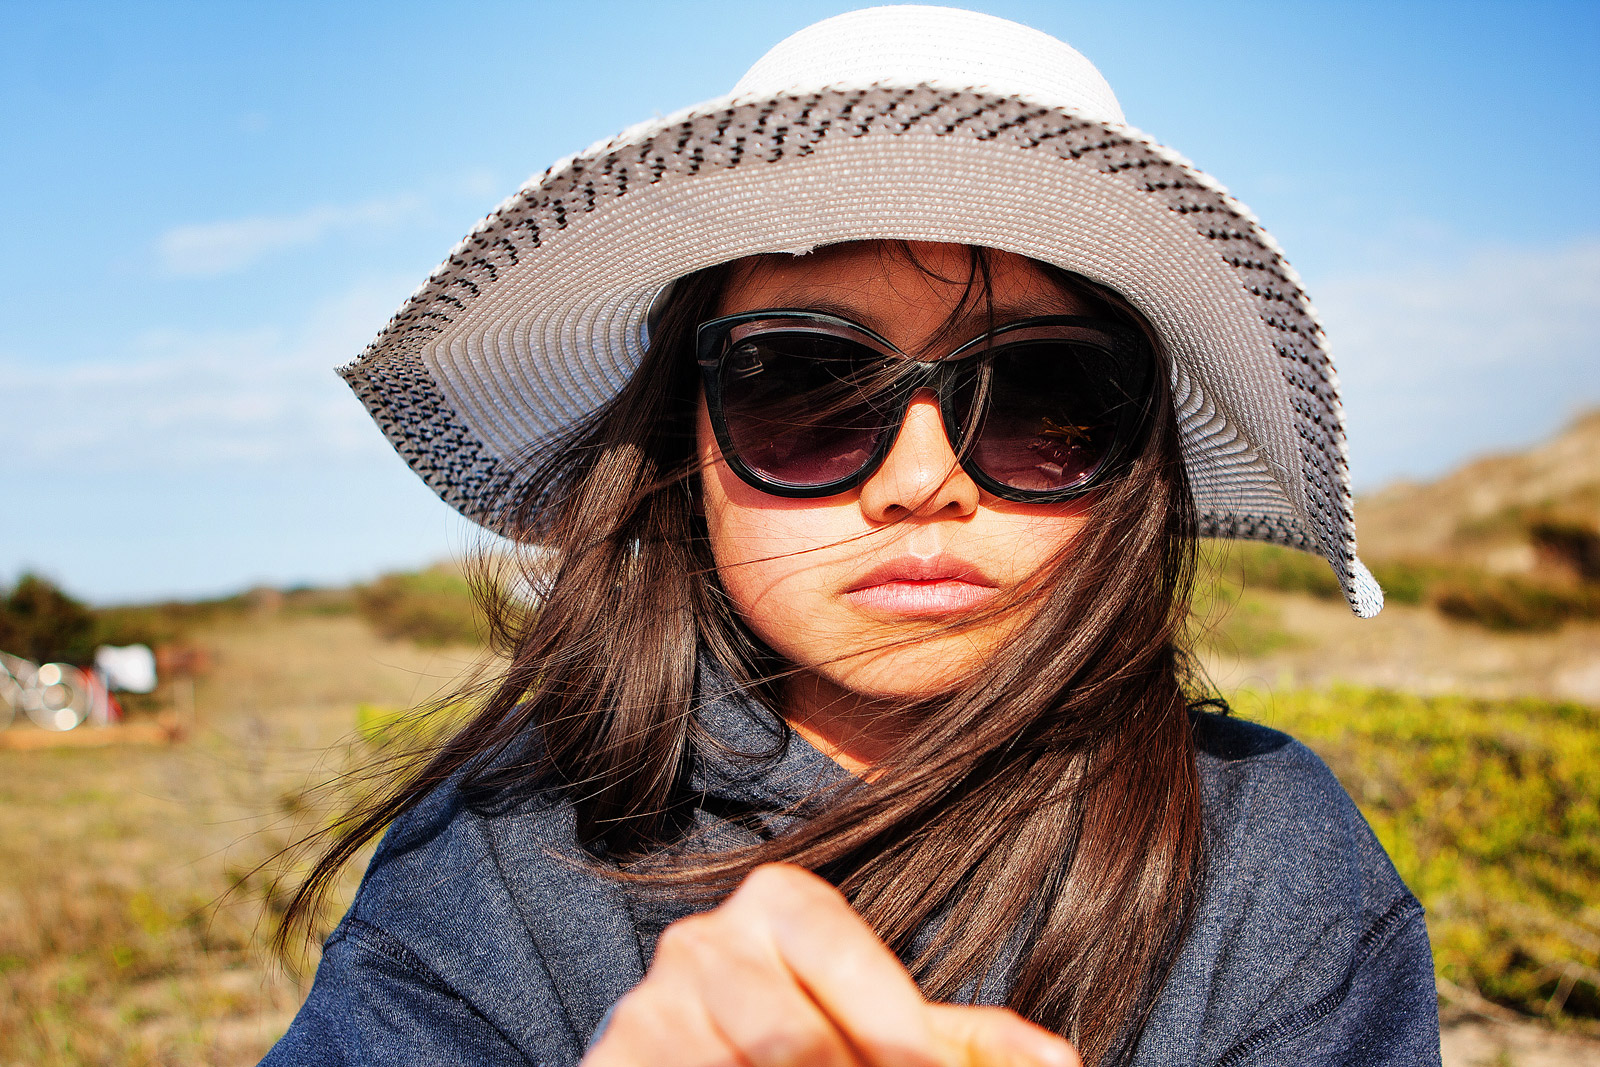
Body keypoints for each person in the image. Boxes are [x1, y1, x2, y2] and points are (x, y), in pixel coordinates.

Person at [262, 7, 1440, 1066]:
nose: (920, 481)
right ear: (686, 441)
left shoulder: (1270, 852)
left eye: (1039, 398)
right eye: (807, 386)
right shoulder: (500, 850)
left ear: (1132, 462)